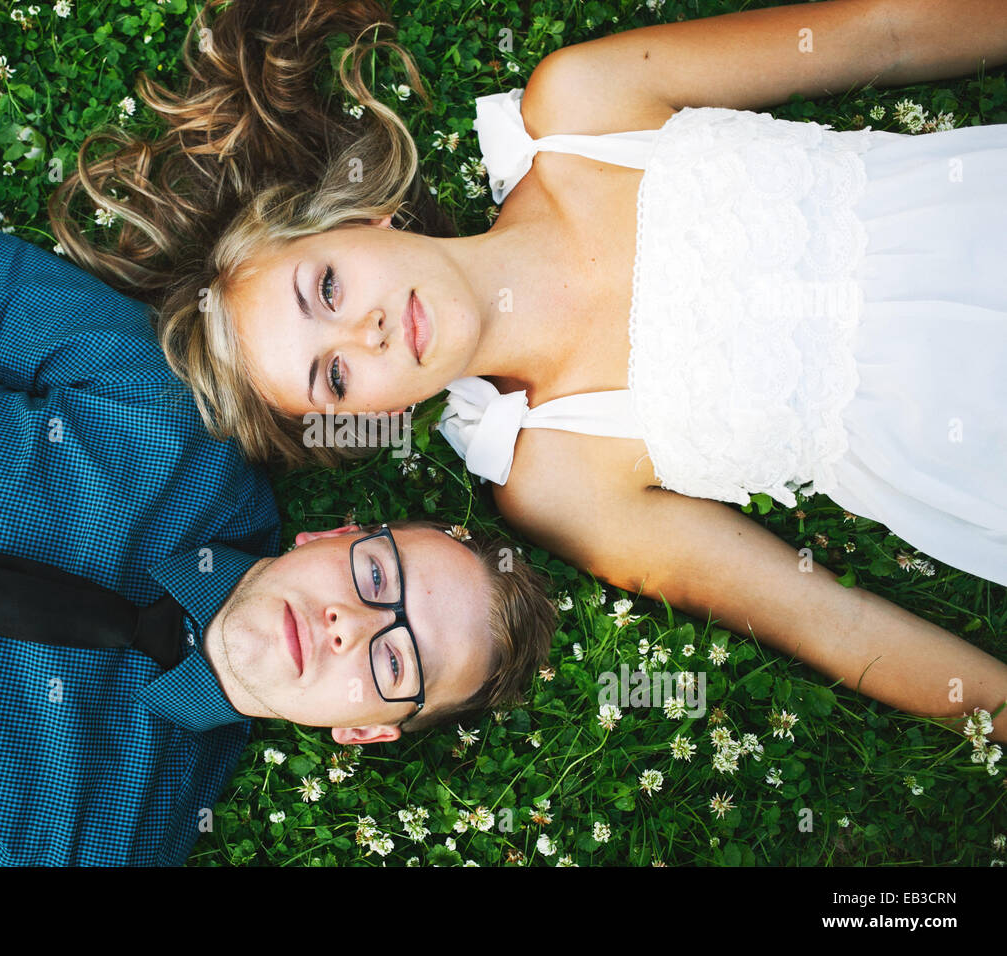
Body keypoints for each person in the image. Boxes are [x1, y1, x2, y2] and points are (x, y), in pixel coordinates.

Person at [55, 0, 1007, 742]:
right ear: (370, 416)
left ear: (359, 219)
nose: (369, 333)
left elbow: (875, 36)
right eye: (334, 378)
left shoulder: (585, 105)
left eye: (329, 287)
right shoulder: (558, 478)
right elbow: (820, 618)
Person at [0, 149, 556, 864]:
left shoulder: (101, 846)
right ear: (332, 535)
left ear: (367, 732)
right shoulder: (167, 413)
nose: (351, 625)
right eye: (376, 575)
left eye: (394, 664)